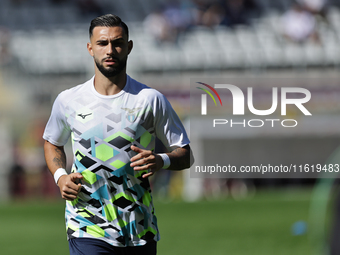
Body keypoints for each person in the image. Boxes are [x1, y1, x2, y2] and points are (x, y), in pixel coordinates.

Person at [43, 14, 193, 255]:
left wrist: (161, 160)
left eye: (117, 42)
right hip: (87, 225)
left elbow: (186, 154)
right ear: (90, 48)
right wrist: (60, 176)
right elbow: (52, 141)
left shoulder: (150, 100)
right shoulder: (68, 100)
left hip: (139, 228)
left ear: (129, 47)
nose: (110, 50)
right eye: (102, 43)